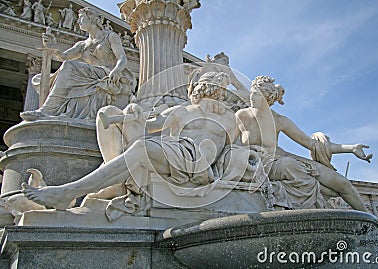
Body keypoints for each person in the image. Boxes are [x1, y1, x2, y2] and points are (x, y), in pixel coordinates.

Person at [22, 72, 240, 211]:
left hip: (194, 163)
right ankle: (117, 183)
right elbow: (151, 124)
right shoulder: (184, 110)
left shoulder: (227, 117)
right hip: (176, 155)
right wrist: (135, 112)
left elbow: (236, 147)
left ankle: (66, 193)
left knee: (141, 147)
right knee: (108, 113)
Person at [236, 76, 378, 229]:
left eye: (256, 93)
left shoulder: (280, 121)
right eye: (252, 92)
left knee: (343, 183)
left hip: (284, 159)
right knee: (294, 168)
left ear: (267, 97)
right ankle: (321, 192)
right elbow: (227, 142)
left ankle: (374, 221)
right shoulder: (242, 116)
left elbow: (311, 144)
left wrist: (350, 148)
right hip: (270, 165)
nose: (251, 97)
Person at [20, 7, 136, 121]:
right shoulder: (83, 44)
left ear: (91, 19)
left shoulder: (110, 36)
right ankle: (50, 109)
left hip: (107, 73)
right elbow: (63, 56)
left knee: (69, 66)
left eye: (81, 18)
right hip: (91, 75)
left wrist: (117, 70)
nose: (77, 21)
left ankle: (47, 110)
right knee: (43, 76)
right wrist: (52, 46)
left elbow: (122, 58)